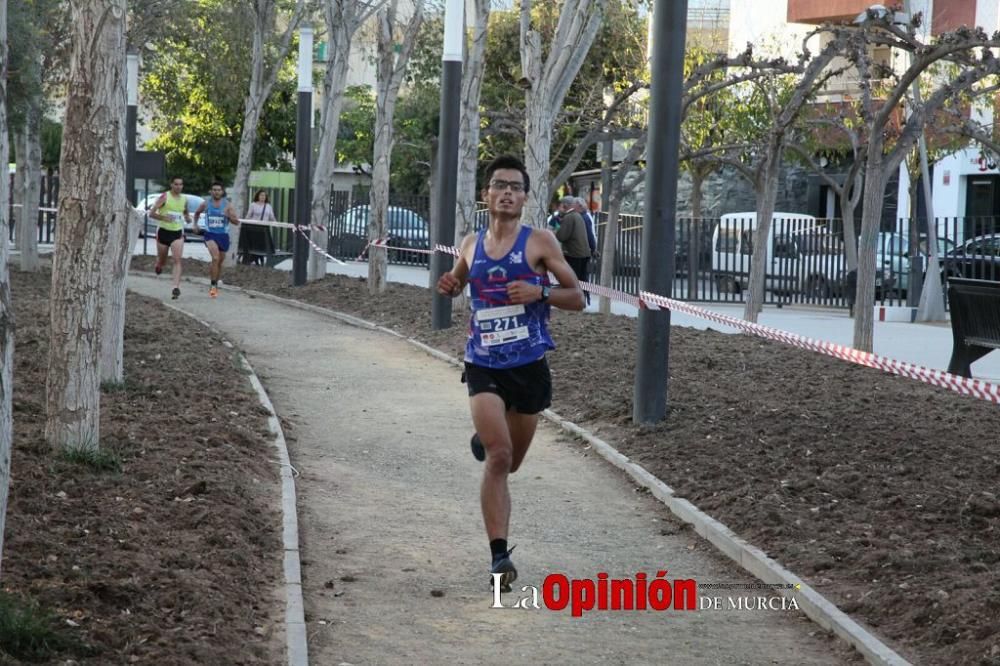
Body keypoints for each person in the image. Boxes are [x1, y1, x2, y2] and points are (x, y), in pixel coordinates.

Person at [436, 155, 585, 593]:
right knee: (499, 458)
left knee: (512, 462)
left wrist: (540, 290)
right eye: (499, 184)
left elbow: (577, 296)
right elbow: (457, 281)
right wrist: (450, 285)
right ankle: (499, 556)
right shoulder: (470, 243)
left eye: (515, 187)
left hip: (529, 366)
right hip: (483, 363)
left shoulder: (539, 242)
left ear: (524, 197)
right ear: (486, 194)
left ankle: (490, 437)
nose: (506, 192)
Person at [192, 182, 240, 298]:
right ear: (211, 191)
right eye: (214, 190)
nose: (216, 192)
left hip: (223, 236)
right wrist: (195, 224)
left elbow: (236, 222)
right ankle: (213, 287)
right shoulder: (206, 203)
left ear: (222, 192)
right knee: (215, 257)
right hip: (210, 234)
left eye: (218, 190)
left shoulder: (227, 205)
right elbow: (197, 213)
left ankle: (215, 284)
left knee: (219, 262)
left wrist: (228, 216)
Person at [150, 176, 191, 300]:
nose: (178, 187)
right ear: (171, 185)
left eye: (181, 184)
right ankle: (159, 265)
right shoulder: (164, 197)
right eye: (176, 184)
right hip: (163, 232)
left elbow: (185, 212)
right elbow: (151, 214)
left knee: (177, 260)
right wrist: (163, 218)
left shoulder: (184, 199)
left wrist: (188, 218)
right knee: (163, 260)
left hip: (177, 232)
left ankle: (175, 287)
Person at [551, 196, 591, 302]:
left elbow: (562, 236)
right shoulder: (577, 215)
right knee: (581, 280)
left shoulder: (569, 217)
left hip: (574, 254)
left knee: (572, 280)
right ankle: (582, 300)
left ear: (565, 205)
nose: (560, 208)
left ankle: (574, 301)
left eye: (561, 205)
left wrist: (555, 231)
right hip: (583, 253)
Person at [241, 189, 277, 265]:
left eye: (264, 195)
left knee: (262, 246)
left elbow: (272, 217)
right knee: (255, 247)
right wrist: (244, 224)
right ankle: (255, 260)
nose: (263, 197)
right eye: (261, 195)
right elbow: (248, 216)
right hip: (254, 229)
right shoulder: (253, 205)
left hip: (264, 230)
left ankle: (260, 261)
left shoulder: (268, 206)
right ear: (258, 196)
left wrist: (276, 223)